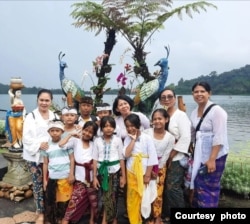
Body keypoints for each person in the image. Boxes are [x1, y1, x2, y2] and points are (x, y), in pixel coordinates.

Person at [190, 81, 229, 208]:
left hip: (215, 156)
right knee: (199, 185)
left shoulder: (217, 111)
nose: (199, 94)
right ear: (192, 94)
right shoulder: (194, 112)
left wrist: (212, 159)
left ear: (209, 93)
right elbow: (193, 133)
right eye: (196, 92)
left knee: (209, 187)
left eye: (202, 91)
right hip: (200, 155)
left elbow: (219, 136)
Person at [22, 89, 58, 224]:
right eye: (41, 100)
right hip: (35, 157)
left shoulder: (54, 116)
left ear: (51, 102)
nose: (44, 103)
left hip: (51, 156)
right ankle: (40, 212)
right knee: (38, 185)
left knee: (51, 184)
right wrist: (39, 144)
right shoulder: (31, 116)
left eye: (47, 100)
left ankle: (50, 211)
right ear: (37, 100)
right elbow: (26, 138)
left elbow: (58, 133)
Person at [157, 87, 191, 223]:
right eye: (163, 97)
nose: (167, 99)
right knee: (165, 186)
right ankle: (167, 213)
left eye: (169, 96)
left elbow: (185, 137)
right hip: (163, 157)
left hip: (176, 158)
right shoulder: (162, 114)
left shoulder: (180, 115)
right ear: (160, 100)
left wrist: (171, 155)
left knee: (173, 187)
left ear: (175, 98)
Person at [61, 121, 99, 224]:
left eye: (90, 132)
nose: (87, 133)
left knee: (93, 201)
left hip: (92, 177)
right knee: (74, 200)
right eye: (86, 130)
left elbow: (97, 159)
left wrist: (94, 171)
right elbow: (61, 145)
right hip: (79, 177)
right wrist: (70, 134)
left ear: (93, 135)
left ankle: (92, 219)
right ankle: (66, 219)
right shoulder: (75, 141)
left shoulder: (94, 144)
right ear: (82, 130)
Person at [123, 113, 158, 224]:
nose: (130, 128)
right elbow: (126, 155)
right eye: (127, 126)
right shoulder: (127, 139)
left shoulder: (147, 138)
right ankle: (134, 221)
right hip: (131, 172)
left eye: (132, 125)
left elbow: (152, 157)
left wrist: (148, 174)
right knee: (132, 199)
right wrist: (133, 140)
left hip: (143, 172)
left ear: (138, 125)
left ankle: (145, 219)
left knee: (144, 198)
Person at [143, 108, 175, 224]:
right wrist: (149, 169)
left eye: (160, 119)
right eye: (155, 119)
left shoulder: (170, 137)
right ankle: (147, 216)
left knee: (158, 193)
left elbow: (166, 155)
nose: (157, 121)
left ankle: (157, 216)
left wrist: (156, 170)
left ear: (166, 119)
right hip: (145, 167)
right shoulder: (146, 133)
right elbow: (143, 151)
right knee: (146, 191)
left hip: (160, 168)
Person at [92, 116, 126, 224]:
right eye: (105, 126)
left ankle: (106, 220)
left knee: (112, 195)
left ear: (114, 128)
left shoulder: (117, 140)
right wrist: (94, 177)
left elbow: (121, 158)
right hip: (101, 172)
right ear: (101, 128)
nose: (108, 128)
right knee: (105, 195)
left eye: (111, 126)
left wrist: (123, 176)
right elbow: (95, 159)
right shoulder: (97, 140)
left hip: (114, 171)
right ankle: (111, 218)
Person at [41, 120, 75, 224]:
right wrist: (44, 180)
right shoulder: (46, 146)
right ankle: (54, 219)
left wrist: (71, 174)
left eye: (57, 130)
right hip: (53, 177)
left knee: (65, 201)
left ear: (62, 131)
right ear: (49, 132)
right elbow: (45, 163)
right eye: (52, 130)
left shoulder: (66, 144)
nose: (55, 132)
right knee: (53, 200)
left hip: (65, 177)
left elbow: (72, 159)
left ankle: (64, 219)